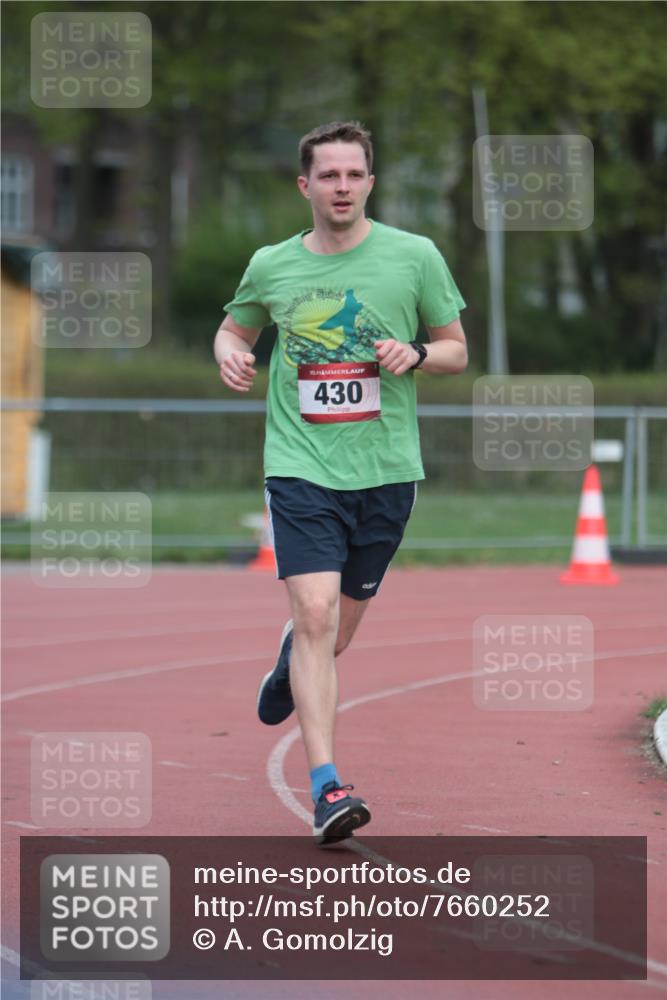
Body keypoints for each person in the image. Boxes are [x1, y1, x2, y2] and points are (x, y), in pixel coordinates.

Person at [214, 120, 467, 844]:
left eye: (354, 175)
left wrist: (414, 352)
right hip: (299, 467)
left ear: (370, 184)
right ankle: (327, 788)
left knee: (334, 630)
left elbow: (455, 351)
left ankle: (289, 660)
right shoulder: (272, 265)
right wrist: (230, 354)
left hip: (386, 473)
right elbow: (236, 329)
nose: (342, 187)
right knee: (317, 614)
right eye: (328, 176)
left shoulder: (413, 257)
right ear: (306, 186)